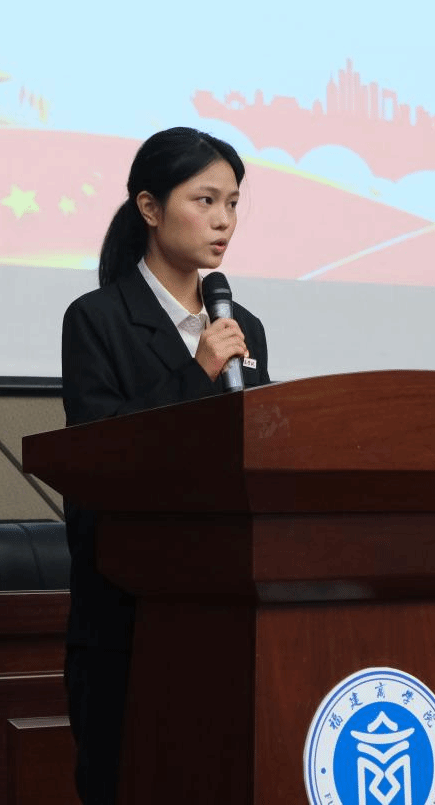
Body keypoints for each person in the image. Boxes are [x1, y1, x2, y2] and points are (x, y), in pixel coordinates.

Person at [60, 126, 270, 805]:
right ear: (149, 208)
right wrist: (196, 371)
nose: (223, 220)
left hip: (228, 606)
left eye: (232, 203)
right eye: (205, 200)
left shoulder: (243, 326)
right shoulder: (97, 319)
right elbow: (101, 453)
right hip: (128, 614)